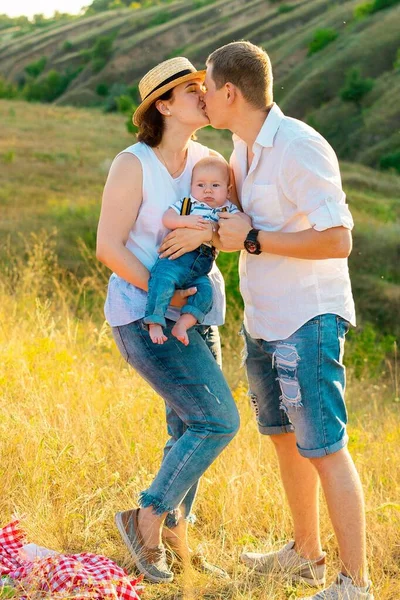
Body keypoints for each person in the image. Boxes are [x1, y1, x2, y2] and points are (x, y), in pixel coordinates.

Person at [199, 40, 372, 600]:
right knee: (283, 438)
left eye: (206, 84)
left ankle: (355, 584)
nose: (202, 93)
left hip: (308, 317)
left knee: (323, 446)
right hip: (264, 318)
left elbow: (339, 239)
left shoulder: (299, 145)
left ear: (230, 92)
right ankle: (305, 554)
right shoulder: (241, 149)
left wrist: (251, 236)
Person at [96, 57, 240, 584]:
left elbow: (232, 228)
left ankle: (176, 543)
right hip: (145, 316)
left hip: (201, 316)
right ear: (163, 104)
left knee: (185, 429)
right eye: (192, 89)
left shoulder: (209, 160)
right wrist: (168, 295)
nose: (205, 94)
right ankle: (146, 518)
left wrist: (207, 236)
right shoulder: (132, 164)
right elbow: (108, 247)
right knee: (217, 421)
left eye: (204, 86)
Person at [144, 155, 247, 345]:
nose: (207, 190)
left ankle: (183, 323)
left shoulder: (227, 209)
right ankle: (155, 320)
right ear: (191, 187)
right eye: (200, 185)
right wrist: (184, 221)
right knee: (161, 280)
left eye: (215, 185)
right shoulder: (187, 204)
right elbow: (168, 218)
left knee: (206, 294)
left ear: (228, 190)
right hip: (175, 259)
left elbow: (243, 224)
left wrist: (240, 221)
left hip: (201, 268)